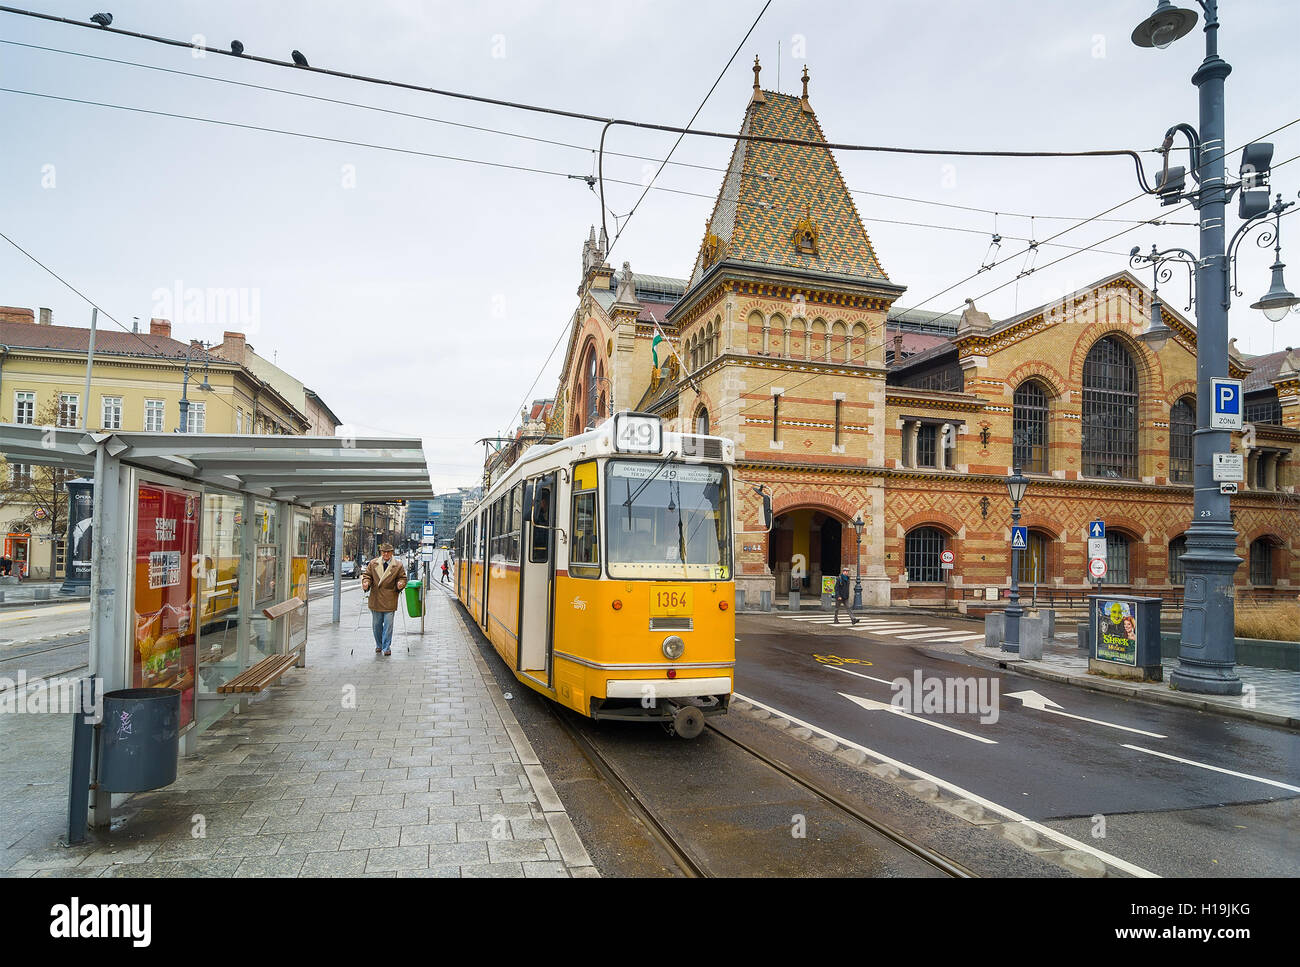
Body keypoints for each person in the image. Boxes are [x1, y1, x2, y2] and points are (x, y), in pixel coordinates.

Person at [361, 542, 407, 656]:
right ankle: (379, 644)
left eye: (388, 552)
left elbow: (402, 577)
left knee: (388, 624)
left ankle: (386, 647)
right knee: (376, 624)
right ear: (381, 552)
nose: (386, 554)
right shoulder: (373, 563)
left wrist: (400, 583)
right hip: (376, 598)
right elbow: (367, 575)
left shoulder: (398, 565)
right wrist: (366, 582)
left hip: (390, 598)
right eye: (384, 552)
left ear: (392, 553)